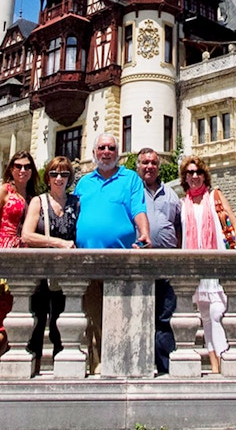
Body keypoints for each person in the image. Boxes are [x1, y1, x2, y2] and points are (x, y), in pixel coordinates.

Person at [73, 133, 152, 373]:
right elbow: (73, 215)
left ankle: (119, 363)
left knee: (119, 316)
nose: (106, 152)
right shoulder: (83, 183)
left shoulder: (130, 179)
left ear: (117, 153)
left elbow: (138, 208)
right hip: (87, 259)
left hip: (119, 259)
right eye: (101, 148)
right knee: (92, 316)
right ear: (94, 152)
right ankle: (96, 365)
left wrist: (145, 233)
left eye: (111, 148)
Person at [179, 156, 236, 374]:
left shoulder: (214, 196)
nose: (194, 176)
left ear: (205, 175)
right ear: (185, 177)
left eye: (198, 172)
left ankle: (225, 356)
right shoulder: (183, 204)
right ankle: (215, 364)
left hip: (217, 266)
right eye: (190, 173)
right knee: (206, 318)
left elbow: (234, 223)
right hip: (196, 269)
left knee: (217, 313)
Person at [0, 151, 38, 374]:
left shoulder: (32, 196)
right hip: (4, 255)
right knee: (1, 324)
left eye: (27, 167)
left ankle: (9, 369)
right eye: (18, 166)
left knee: (20, 320)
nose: (23, 170)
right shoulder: (4, 191)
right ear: (11, 168)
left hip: (26, 257)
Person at [20, 156, 79, 374]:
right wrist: (58, 243)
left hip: (65, 275)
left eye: (64, 174)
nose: (59, 178)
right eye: (54, 173)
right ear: (48, 177)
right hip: (41, 273)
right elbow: (26, 235)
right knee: (36, 321)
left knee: (61, 325)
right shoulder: (39, 201)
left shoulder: (76, 203)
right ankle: (32, 370)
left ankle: (61, 371)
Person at [136, 147, 181, 376]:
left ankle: (164, 367)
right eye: (145, 163)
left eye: (153, 163)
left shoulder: (171, 194)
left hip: (167, 264)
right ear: (138, 166)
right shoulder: (132, 193)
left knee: (165, 318)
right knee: (139, 317)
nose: (149, 167)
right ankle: (141, 366)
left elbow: (179, 225)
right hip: (139, 265)